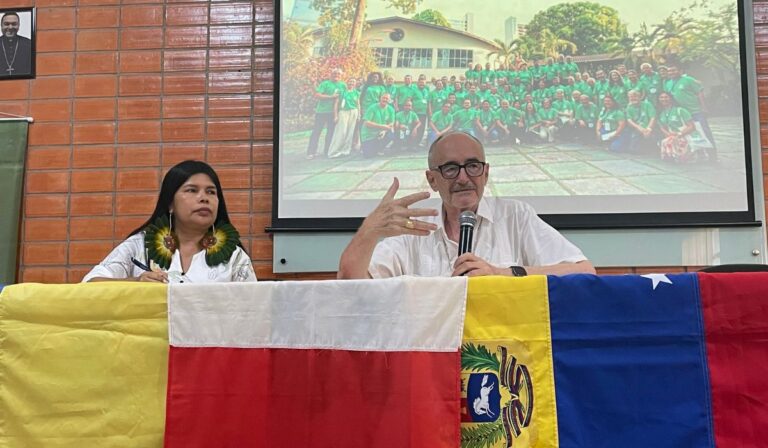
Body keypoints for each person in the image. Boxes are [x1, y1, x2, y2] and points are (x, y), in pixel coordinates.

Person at [336, 131, 594, 278]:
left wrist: (500, 275)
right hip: (434, 355)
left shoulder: (515, 216)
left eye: (472, 166)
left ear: (486, 173)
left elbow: (583, 272)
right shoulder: (412, 229)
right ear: (432, 179)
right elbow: (350, 286)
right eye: (450, 168)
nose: (463, 178)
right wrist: (369, 230)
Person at [83, 161, 256, 283]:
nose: (204, 198)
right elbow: (90, 284)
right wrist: (135, 282)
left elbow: (254, 310)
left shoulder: (234, 257)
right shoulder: (140, 246)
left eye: (211, 192)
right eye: (192, 190)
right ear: (170, 204)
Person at [306, 69, 345, 160]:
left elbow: (345, 97)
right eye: (335, 73)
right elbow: (317, 95)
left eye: (339, 74)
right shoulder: (325, 83)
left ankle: (327, 151)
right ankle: (311, 152)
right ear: (331, 74)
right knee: (316, 131)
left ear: (341, 75)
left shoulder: (343, 85)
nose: (336, 75)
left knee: (331, 132)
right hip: (322, 112)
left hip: (334, 113)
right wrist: (331, 97)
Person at [327, 77, 360, 158]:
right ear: (347, 82)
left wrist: (359, 114)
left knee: (350, 132)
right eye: (350, 81)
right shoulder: (342, 92)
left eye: (353, 82)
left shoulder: (356, 92)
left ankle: (345, 150)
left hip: (353, 112)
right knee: (341, 132)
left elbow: (358, 104)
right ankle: (334, 151)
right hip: (343, 112)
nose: (351, 83)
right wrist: (335, 115)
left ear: (355, 84)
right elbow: (336, 104)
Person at [0, 12, 32, 77]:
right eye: (6, 24)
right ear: (1, 25)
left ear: (19, 25)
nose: (10, 27)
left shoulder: (29, 44)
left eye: (14, 24)